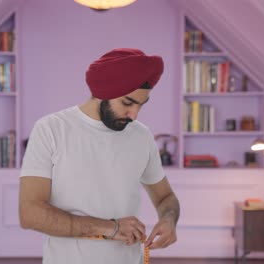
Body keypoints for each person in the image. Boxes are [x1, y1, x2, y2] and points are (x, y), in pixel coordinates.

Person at [19, 48, 180, 264]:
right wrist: (110, 227)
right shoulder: (51, 129)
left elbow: (165, 198)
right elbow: (30, 213)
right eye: (127, 103)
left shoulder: (141, 135)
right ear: (103, 92)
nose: (134, 115)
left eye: (141, 104)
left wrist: (169, 219)